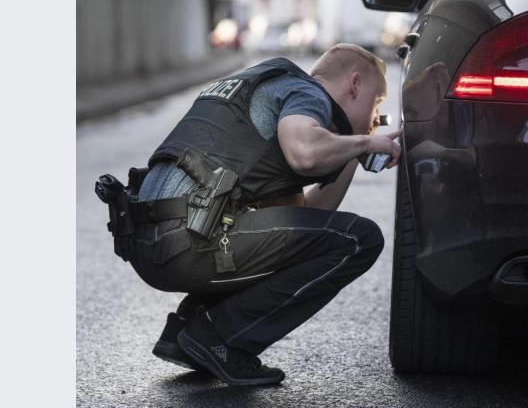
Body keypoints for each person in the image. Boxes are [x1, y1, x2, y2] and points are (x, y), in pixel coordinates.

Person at [117, 44, 400, 386]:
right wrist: (366, 144)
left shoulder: (273, 94)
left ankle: (186, 329)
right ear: (354, 84)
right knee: (360, 239)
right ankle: (219, 337)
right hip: (187, 241)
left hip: (154, 245)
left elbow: (307, 219)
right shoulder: (307, 94)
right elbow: (306, 154)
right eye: (377, 102)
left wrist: (352, 154)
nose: (374, 119)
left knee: (323, 239)